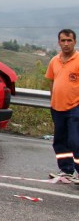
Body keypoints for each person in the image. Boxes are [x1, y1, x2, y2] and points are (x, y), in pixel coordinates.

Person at [45, 29, 79, 183]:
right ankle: (66, 170)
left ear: (75, 42)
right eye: (63, 40)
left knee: (75, 141)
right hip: (57, 108)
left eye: (69, 40)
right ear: (58, 42)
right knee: (60, 141)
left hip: (75, 107)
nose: (66, 44)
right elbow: (51, 80)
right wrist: (53, 99)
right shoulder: (54, 61)